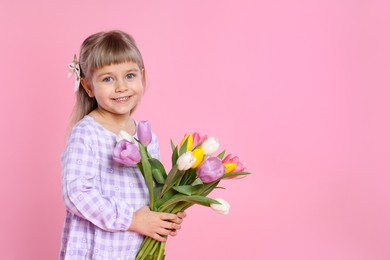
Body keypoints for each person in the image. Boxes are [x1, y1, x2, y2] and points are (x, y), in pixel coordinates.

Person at [60, 30, 186, 259]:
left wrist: (164, 215)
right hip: (98, 251)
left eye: (129, 75)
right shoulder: (87, 134)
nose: (121, 87)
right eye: (108, 78)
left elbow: (153, 193)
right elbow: (76, 193)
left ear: (142, 75)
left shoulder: (145, 135)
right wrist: (132, 219)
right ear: (88, 87)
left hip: (135, 249)